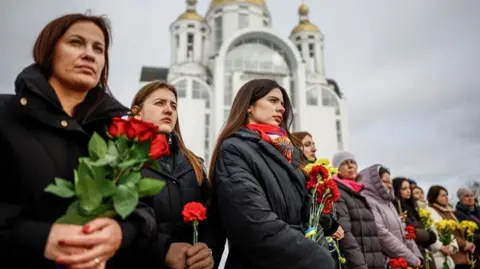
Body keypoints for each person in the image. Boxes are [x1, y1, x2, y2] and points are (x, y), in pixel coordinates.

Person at [0, 14, 156, 269]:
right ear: (49, 51)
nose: (89, 54)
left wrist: (120, 232)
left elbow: (144, 209)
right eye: (76, 42)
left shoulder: (114, 133)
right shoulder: (7, 115)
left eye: (98, 49)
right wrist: (40, 238)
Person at [209, 79, 335, 269]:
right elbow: (253, 222)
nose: (281, 108)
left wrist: (323, 233)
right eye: (273, 101)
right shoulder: (234, 149)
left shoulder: (288, 152)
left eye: (283, 104)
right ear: (249, 105)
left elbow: (305, 213)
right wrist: (317, 258)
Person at [122, 81, 222, 269]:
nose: (169, 110)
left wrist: (206, 253)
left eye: (173, 106)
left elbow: (212, 220)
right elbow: (120, 223)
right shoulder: (120, 161)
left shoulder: (195, 164)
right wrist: (162, 250)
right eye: (160, 103)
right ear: (137, 112)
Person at [359, 165, 423, 267]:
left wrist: (417, 256)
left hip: (403, 261)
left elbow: (404, 232)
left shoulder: (388, 203)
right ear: (373, 182)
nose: (389, 186)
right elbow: (383, 235)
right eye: (385, 182)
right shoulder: (368, 202)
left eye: (390, 182)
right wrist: (412, 258)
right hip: (389, 263)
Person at [332, 151, 386, 269]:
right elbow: (345, 233)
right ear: (337, 169)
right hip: (358, 264)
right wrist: (360, 265)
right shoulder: (338, 193)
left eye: (353, 162)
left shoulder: (359, 193)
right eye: (345, 163)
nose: (351, 166)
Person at [393, 177, 437, 269]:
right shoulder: (396, 208)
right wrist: (427, 235)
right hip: (412, 253)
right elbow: (408, 231)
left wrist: (429, 235)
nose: (408, 191)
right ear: (396, 190)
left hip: (423, 251)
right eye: (404, 189)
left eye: (409, 188)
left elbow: (427, 232)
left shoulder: (413, 208)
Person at [426, 185, 471, 269]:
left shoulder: (448, 210)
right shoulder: (434, 212)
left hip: (457, 250)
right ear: (434, 197)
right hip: (450, 253)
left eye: (447, 195)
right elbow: (447, 232)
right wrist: (464, 244)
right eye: (443, 195)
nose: (446, 197)